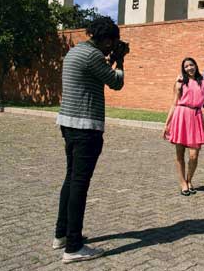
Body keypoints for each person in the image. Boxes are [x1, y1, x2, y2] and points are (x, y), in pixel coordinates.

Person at [53, 16, 129, 264]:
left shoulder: (76, 52)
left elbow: (94, 76)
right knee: (79, 185)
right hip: (86, 128)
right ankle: (74, 247)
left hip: (68, 124)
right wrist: (120, 60)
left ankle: (62, 234)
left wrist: (111, 58)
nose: (113, 46)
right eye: (112, 42)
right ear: (106, 39)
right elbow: (116, 82)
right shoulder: (94, 56)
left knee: (70, 179)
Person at [163, 58, 204, 196]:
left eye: (191, 65)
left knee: (194, 155)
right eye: (186, 66)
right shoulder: (180, 83)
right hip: (181, 116)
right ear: (184, 68)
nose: (189, 68)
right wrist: (167, 124)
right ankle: (183, 183)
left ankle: (189, 180)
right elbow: (173, 103)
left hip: (196, 117)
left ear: (196, 65)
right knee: (180, 153)